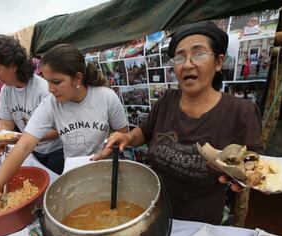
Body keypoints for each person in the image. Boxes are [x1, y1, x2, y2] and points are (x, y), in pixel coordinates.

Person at [100, 21, 263, 225]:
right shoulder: (167, 100)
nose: (187, 64)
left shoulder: (241, 112)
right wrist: (126, 137)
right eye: (179, 57)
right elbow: (143, 132)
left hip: (201, 222)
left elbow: (255, 162)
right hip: (156, 210)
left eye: (199, 54)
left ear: (219, 62)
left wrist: (244, 177)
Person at [0, 43, 128, 216]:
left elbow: (123, 134)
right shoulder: (50, 104)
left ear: (78, 78)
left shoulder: (106, 98)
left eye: (57, 82)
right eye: (47, 81)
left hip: (107, 173)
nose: (50, 89)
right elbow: (23, 146)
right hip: (74, 175)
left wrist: (110, 145)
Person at [0, 34, 64, 174]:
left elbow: (59, 129)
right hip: (30, 149)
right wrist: (2, 139)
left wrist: (26, 137)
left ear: (13, 65)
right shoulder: (6, 90)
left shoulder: (43, 89)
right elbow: (6, 122)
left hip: (56, 151)